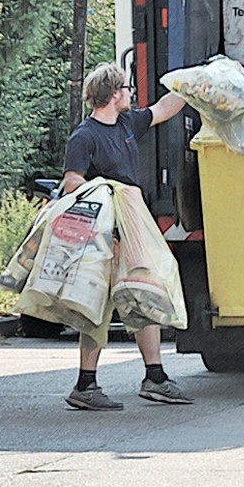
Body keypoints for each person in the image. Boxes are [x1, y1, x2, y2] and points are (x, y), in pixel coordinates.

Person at [58, 62, 189, 411]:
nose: (131, 93)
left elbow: (164, 108)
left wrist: (198, 81)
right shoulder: (84, 136)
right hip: (105, 234)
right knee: (97, 305)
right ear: (114, 94)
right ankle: (85, 385)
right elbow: (73, 182)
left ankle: (155, 378)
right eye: (127, 88)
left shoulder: (128, 123)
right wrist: (107, 220)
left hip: (132, 227)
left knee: (145, 293)